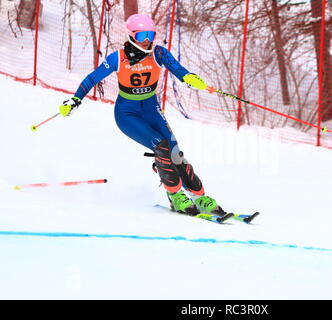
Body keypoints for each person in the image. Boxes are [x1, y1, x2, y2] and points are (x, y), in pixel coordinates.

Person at [59, 13, 223, 216]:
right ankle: (175, 196)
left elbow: (180, 71)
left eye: (151, 35)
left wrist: (194, 80)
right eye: (141, 35)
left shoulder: (159, 54)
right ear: (131, 36)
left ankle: (200, 197)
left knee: (175, 153)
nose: (147, 40)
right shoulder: (118, 58)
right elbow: (92, 78)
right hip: (128, 114)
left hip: (151, 110)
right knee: (161, 146)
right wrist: (75, 100)